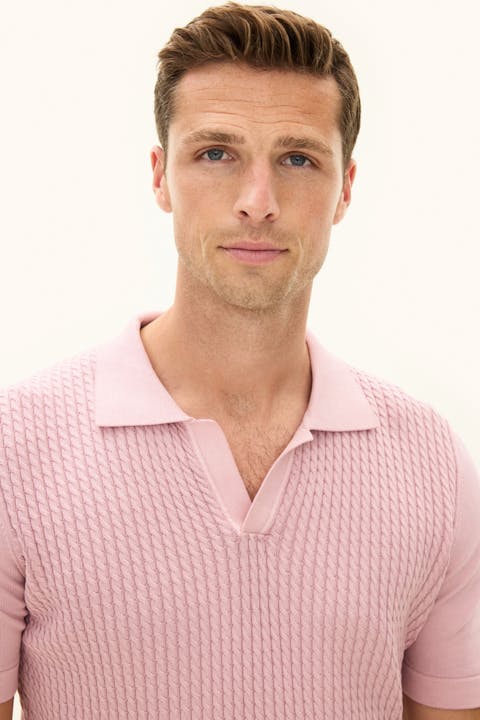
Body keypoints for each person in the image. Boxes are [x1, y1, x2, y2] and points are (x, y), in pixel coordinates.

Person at [0, 3, 479, 719]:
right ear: (161, 177)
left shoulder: (431, 465)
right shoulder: (15, 449)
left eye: (298, 159)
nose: (258, 202)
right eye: (216, 153)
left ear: (345, 189)